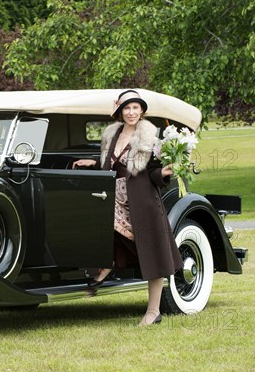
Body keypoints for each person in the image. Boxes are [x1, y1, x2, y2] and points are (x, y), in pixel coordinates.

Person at [72, 89, 183, 326]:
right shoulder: (111, 134)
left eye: (135, 108)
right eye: (127, 108)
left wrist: (163, 172)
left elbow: (154, 170)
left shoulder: (150, 137)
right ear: (120, 112)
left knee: (153, 255)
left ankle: (153, 312)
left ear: (142, 111)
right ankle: (107, 264)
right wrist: (94, 163)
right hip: (113, 196)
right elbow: (109, 163)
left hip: (141, 201)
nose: (131, 112)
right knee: (95, 218)